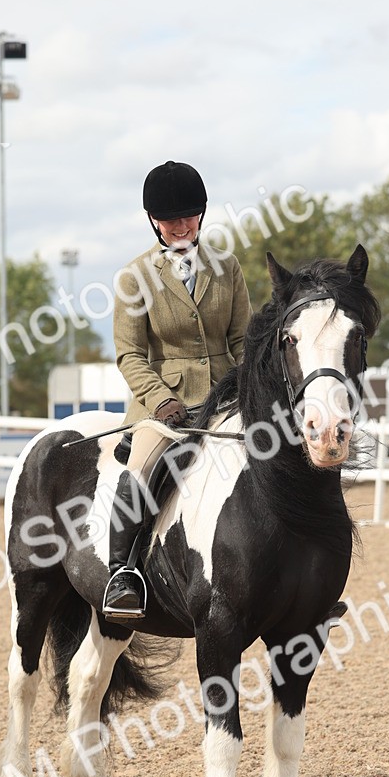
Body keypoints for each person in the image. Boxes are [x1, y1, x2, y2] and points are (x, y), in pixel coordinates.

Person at [102, 160, 252, 621]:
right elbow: (130, 354)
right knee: (143, 469)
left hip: (227, 395)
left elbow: (243, 341)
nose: (181, 226)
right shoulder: (134, 278)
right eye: (170, 220)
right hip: (162, 405)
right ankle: (121, 573)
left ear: (202, 214)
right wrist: (162, 400)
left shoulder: (226, 269)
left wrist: (250, 388)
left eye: (189, 216)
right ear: (154, 221)